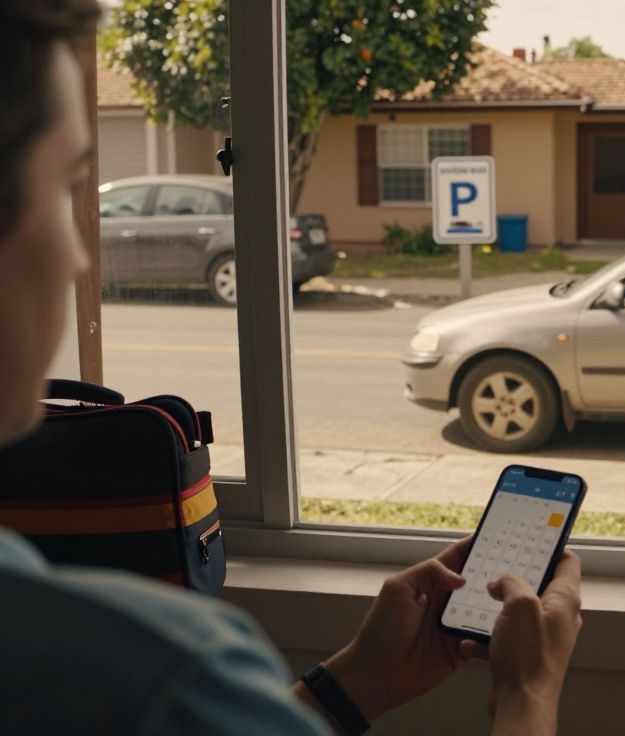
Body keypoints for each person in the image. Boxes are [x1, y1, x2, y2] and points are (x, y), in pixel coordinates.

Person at [0, 2, 583, 733]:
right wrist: (527, 692)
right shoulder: (162, 674)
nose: (82, 253)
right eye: (64, 186)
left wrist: (359, 683)